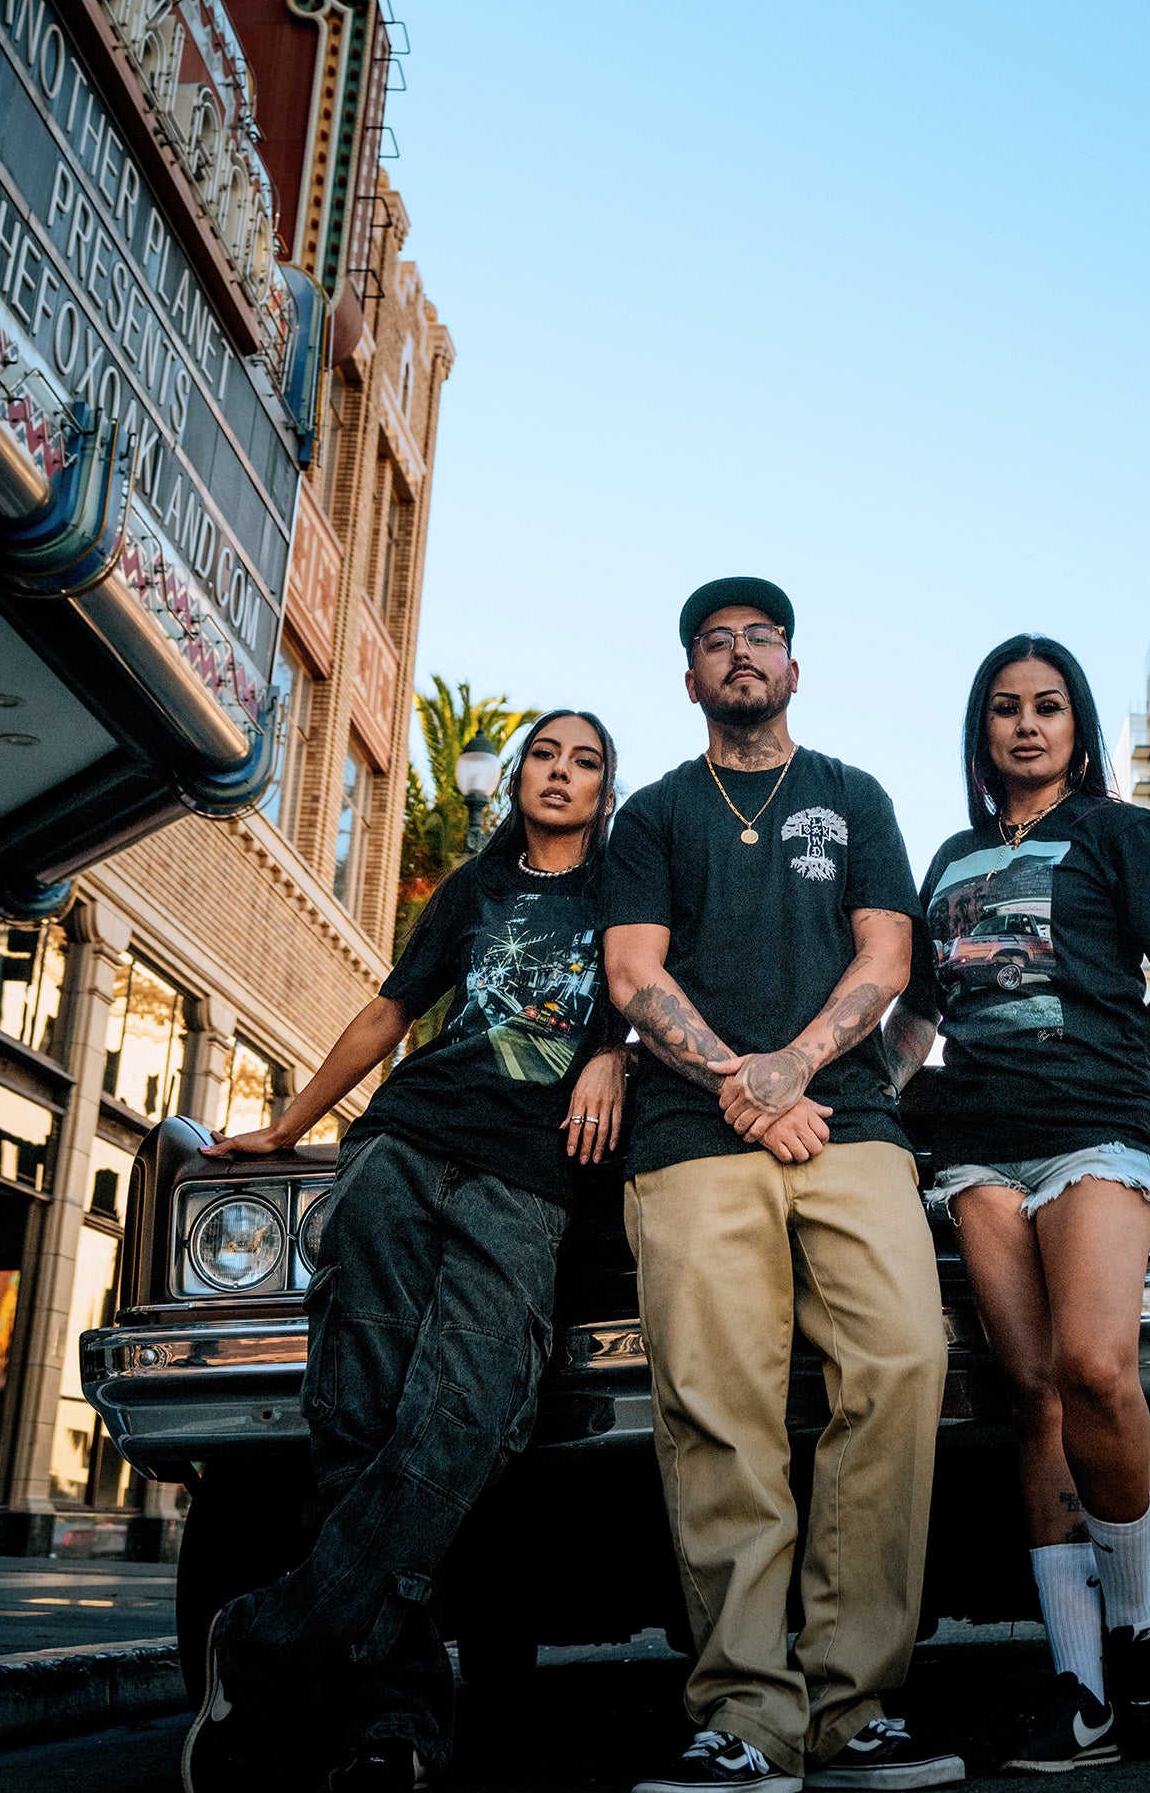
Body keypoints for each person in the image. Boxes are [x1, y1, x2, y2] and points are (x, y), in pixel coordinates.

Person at [182, 712, 630, 1793]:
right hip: (401, 1148)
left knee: (470, 1411)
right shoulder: (472, 889)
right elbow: (389, 1012)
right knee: (356, 1420)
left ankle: (265, 1637)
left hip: (525, 1176)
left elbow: (648, 989)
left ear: (607, 786)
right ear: (517, 774)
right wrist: (291, 1127)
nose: (560, 773)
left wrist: (612, 1051)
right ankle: (393, 1728)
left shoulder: (626, 885)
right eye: (544, 754)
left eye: (586, 760)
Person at [603, 577, 963, 1793]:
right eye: (717, 640)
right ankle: (749, 1716)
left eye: (763, 637)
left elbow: (887, 953)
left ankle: (851, 1705)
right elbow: (633, 971)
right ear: (690, 676)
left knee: (904, 1361)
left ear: (794, 670)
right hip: (692, 1141)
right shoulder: (653, 812)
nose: (741, 653)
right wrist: (740, 1087)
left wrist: (794, 1066)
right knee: (721, 1405)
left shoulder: (851, 794)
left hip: (847, 1122)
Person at [885, 635, 1150, 1773]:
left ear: (1075, 725)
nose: (1026, 724)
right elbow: (916, 1022)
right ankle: (1078, 1688)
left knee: (1092, 1368)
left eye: (1048, 705)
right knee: (1025, 1395)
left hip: (1092, 1130)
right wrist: (865, 1099)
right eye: (1004, 708)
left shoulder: (1121, 834)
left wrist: (1118, 1062)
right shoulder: (948, 856)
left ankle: (1134, 1619)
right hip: (976, 1147)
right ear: (979, 730)